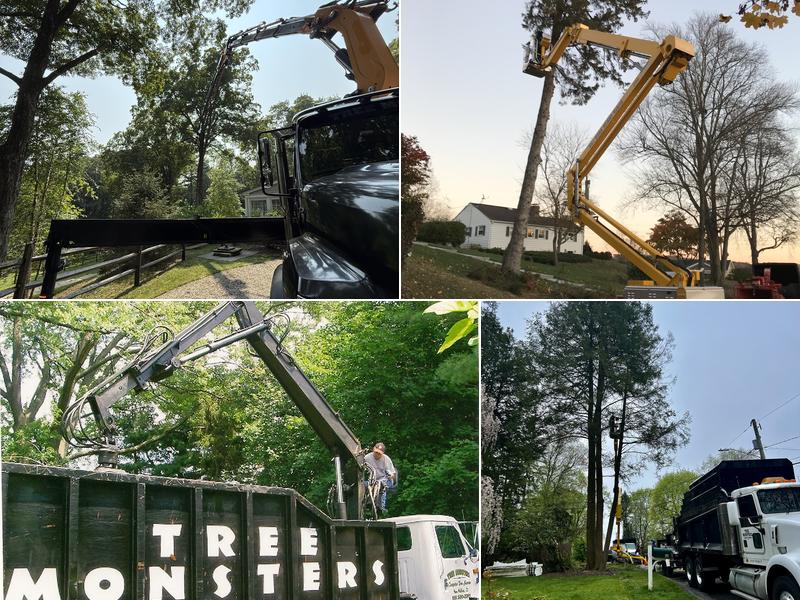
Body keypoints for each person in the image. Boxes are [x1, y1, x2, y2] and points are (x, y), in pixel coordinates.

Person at [364, 442, 397, 513]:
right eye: (376, 452)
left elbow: (392, 474)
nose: (377, 454)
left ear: (382, 453)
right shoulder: (367, 458)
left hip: (385, 479)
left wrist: (390, 476)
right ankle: (368, 503)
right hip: (372, 479)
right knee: (363, 485)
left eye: (379, 453)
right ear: (373, 449)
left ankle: (381, 507)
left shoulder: (386, 459)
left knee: (381, 485)